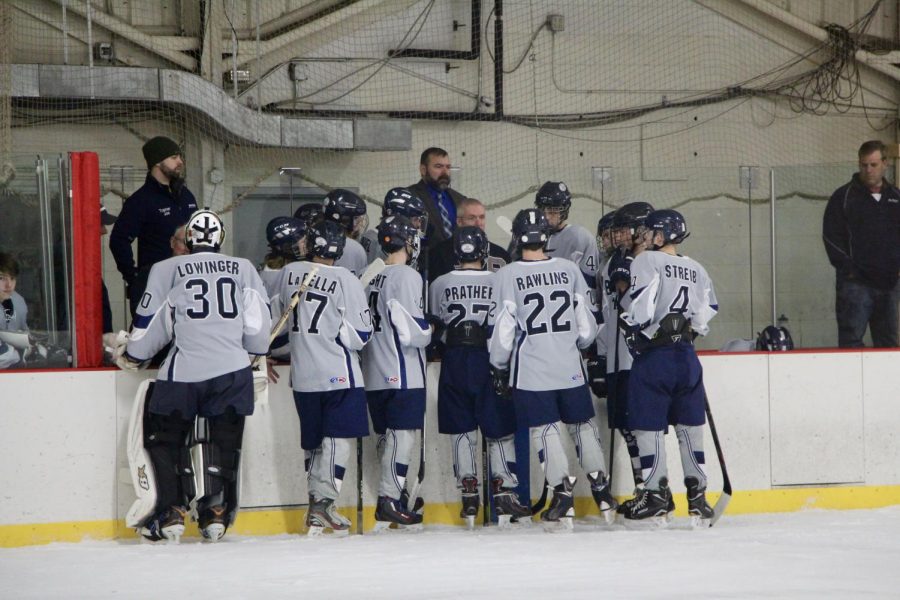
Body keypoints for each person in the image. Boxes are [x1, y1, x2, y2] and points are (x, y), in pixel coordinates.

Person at [114, 209, 271, 543]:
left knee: (166, 440)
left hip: (183, 373)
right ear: (221, 238)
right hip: (231, 371)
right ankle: (215, 512)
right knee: (223, 440)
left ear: (187, 240)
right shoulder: (243, 268)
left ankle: (172, 512)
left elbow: (149, 329)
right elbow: (258, 335)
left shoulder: (166, 269)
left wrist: (132, 353)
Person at [489, 209, 616, 530]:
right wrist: (576, 345)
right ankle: (602, 491)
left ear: (518, 237)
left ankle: (562, 494)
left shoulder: (507, 274)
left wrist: (499, 366)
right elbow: (587, 326)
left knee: (543, 429)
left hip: (532, 369)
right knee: (582, 426)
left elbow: (503, 329)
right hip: (569, 365)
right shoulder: (568, 269)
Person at [617, 209, 718, 526]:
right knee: (689, 429)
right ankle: (698, 497)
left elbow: (642, 306)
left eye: (650, 232)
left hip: (655, 357)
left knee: (648, 427)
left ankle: (657, 492)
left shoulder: (647, 261)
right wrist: (690, 330)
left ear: (662, 235)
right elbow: (708, 311)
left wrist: (634, 325)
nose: (645, 237)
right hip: (687, 358)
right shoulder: (697, 267)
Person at [271, 219, 372, 535]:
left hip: (303, 377)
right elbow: (361, 335)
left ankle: (315, 503)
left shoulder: (289, 273)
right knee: (337, 439)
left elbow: (276, 325)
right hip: (338, 373)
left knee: (313, 444)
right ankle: (323, 505)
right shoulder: (346, 279)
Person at [428, 226, 532, 527]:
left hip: (455, 360)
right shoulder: (498, 279)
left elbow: (437, 325)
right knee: (499, 426)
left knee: (461, 427)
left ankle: (469, 488)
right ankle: (504, 488)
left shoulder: (439, 283)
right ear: (484, 252)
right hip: (489, 357)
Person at [361, 215, 432, 528]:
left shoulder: (371, 274)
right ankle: (389, 498)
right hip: (402, 371)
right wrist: (432, 328)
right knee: (401, 437)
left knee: (387, 438)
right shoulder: (406, 275)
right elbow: (412, 332)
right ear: (407, 241)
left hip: (374, 373)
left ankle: (397, 494)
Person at [597, 203, 658, 508]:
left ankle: (653, 489)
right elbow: (610, 314)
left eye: (621, 231)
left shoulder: (650, 262)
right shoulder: (618, 262)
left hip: (637, 359)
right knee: (626, 426)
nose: (616, 237)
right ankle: (644, 488)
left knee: (641, 427)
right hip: (617, 358)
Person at [109, 136, 198, 322]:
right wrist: (135, 278)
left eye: (180, 157)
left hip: (188, 283)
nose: (180, 162)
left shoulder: (186, 195)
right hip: (155, 288)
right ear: (158, 162)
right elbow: (119, 240)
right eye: (174, 157)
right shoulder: (140, 201)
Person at [823, 140, 900, 348]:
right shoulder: (843, 197)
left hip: (889, 284)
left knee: (888, 344)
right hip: (855, 285)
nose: (868, 170)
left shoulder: (896, 198)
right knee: (851, 341)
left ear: (885, 163)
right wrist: (849, 270)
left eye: (873, 165)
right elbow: (831, 237)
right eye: (863, 164)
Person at [428, 197, 511, 282]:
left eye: (482, 217)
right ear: (459, 222)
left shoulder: (501, 254)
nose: (478, 223)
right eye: (472, 218)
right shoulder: (439, 254)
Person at [408, 147, 467, 254]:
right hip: (425, 265)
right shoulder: (410, 197)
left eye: (448, 167)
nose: (445, 172)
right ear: (423, 170)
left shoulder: (460, 199)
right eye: (438, 166)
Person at [360, 187, 429, 267]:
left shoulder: (380, 237)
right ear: (399, 217)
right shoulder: (377, 241)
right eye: (415, 219)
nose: (419, 225)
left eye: (420, 220)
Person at [258, 216, 307, 300]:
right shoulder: (274, 277)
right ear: (287, 246)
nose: (306, 245)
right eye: (303, 241)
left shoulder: (267, 270)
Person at [322, 189, 369, 277]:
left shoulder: (313, 240)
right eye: (356, 219)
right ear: (345, 220)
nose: (360, 223)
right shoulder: (355, 248)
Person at [0, 253, 27, 369]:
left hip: (12, 363)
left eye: (12, 278)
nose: (8, 284)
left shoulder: (18, 300)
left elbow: (17, 332)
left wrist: (7, 305)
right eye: (1, 278)